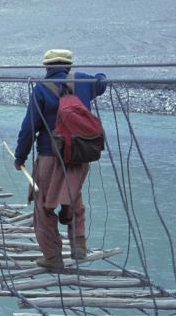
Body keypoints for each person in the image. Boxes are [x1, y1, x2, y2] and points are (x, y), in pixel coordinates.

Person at [14, 49, 107, 272]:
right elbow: (102, 83)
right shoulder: (83, 81)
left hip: (50, 155)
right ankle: (79, 246)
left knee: (44, 206)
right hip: (81, 155)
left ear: (46, 67)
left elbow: (29, 127)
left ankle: (53, 258)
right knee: (72, 195)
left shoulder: (41, 88)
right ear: (69, 66)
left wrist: (20, 156)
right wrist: (100, 76)